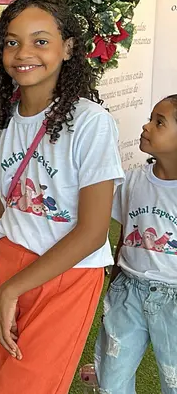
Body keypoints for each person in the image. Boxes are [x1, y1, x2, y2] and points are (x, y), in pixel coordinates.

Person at [0, 0, 123, 393]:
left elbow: (93, 233)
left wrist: (12, 290)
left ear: (67, 48)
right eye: (12, 42)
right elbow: (0, 217)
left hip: (66, 276)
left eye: (40, 41)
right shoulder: (3, 122)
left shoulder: (91, 123)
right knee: (1, 384)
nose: (23, 53)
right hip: (7, 265)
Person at [94, 95, 177, 393]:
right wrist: (114, 283)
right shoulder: (131, 180)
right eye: (150, 118)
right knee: (111, 380)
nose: (146, 126)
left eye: (159, 122)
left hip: (173, 299)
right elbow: (124, 235)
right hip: (128, 292)